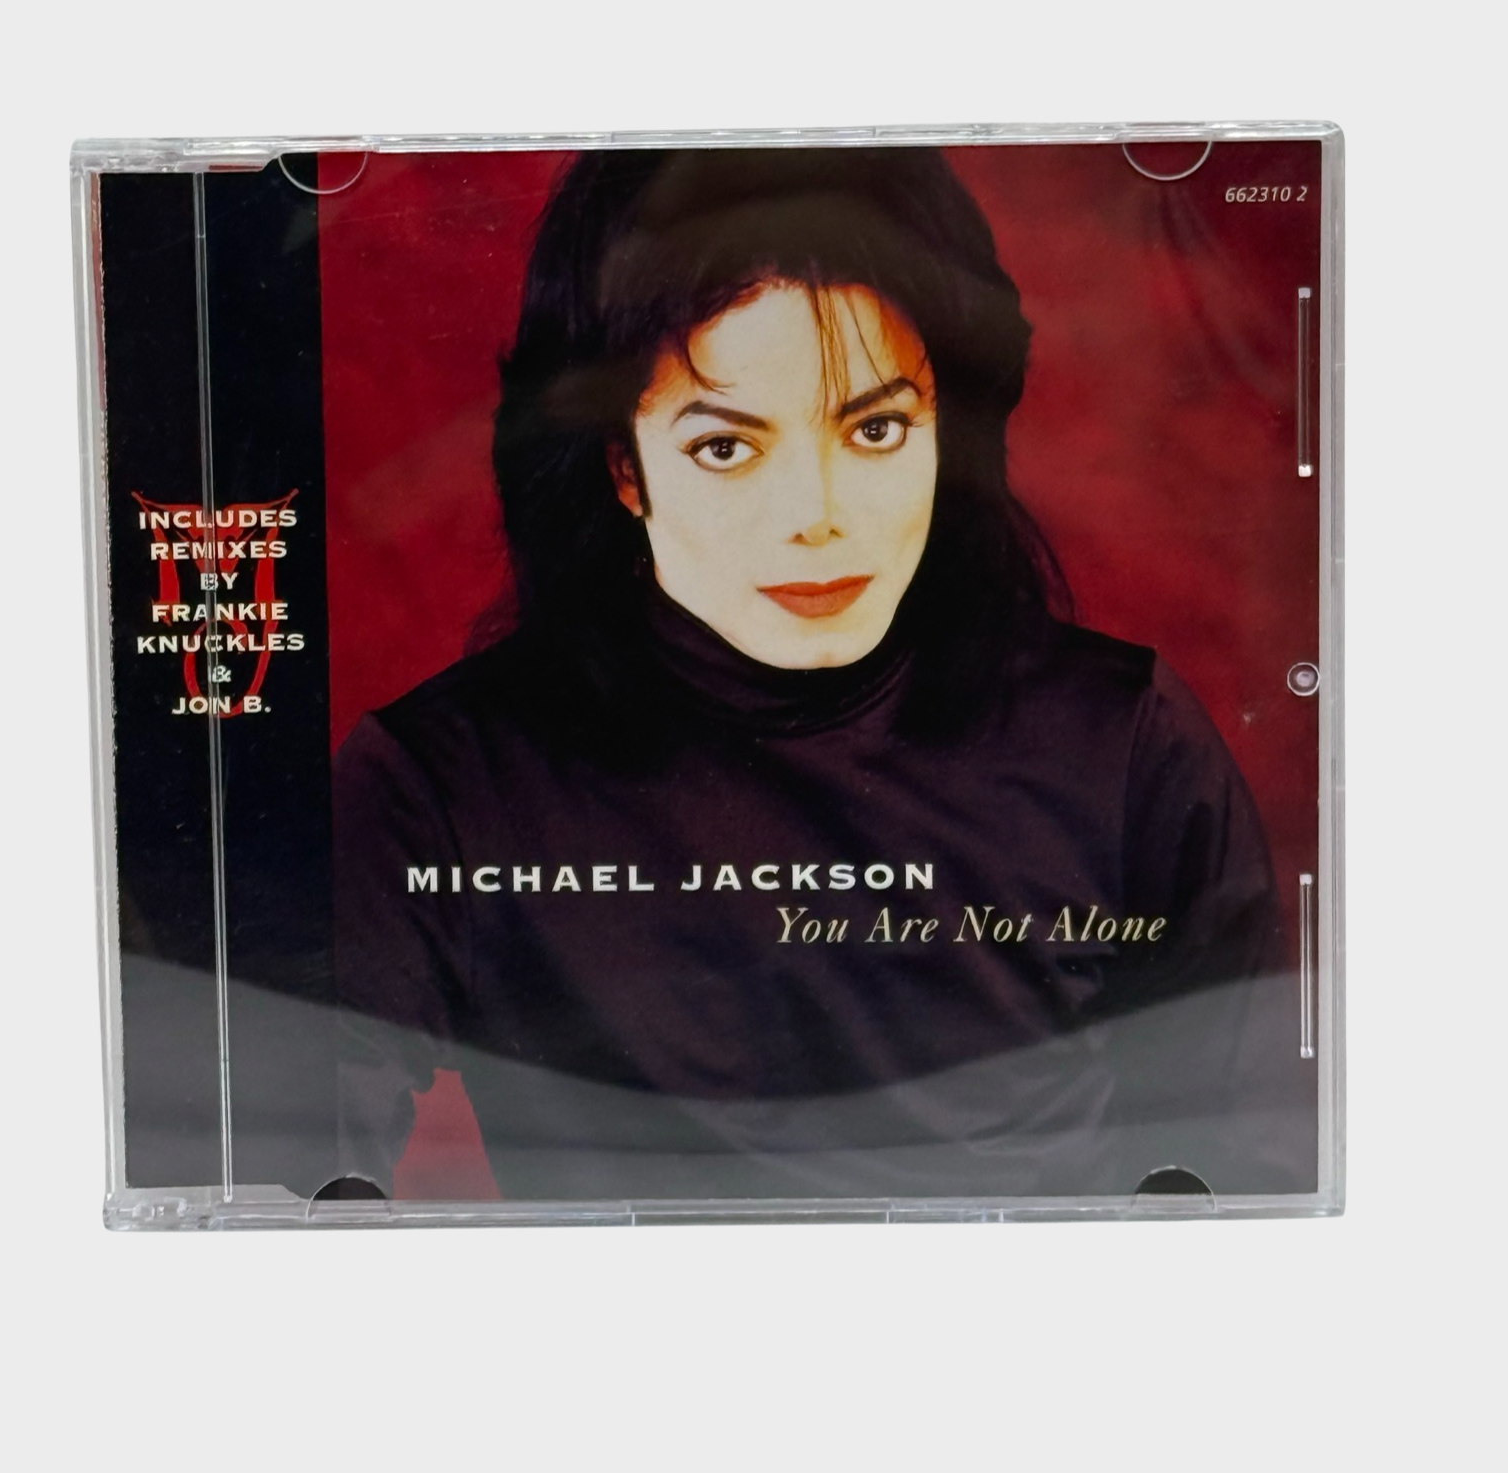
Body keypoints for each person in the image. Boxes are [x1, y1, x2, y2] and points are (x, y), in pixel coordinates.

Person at [332, 147, 1316, 1202]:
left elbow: (1248, 1173)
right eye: (725, 448)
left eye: (876, 428)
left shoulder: (1123, 738)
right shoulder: (439, 784)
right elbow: (282, 1163)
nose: (815, 515)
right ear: (624, 468)